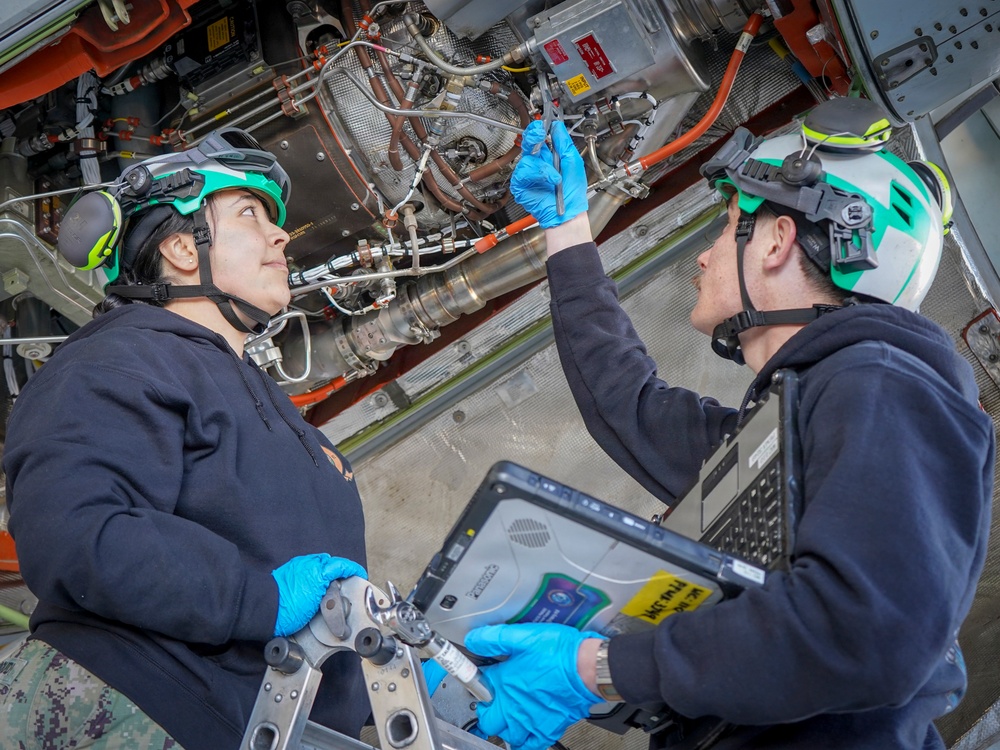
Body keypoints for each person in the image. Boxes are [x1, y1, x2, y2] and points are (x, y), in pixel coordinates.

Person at [462, 98, 994, 750]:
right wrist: (568, 228)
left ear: (776, 241)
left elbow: (865, 630)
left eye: (725, 228)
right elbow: (630, 405)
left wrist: (598, 669)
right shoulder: (793, 421)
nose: (705, 259)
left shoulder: (886, 387)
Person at [0, 128, 370, 749]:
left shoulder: (250, 392)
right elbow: (77, 531)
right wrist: (258, 597)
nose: (282, 233)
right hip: (129, 710)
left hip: (255, 727)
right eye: (250, 212)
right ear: (179, 248)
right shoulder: (116, 359)